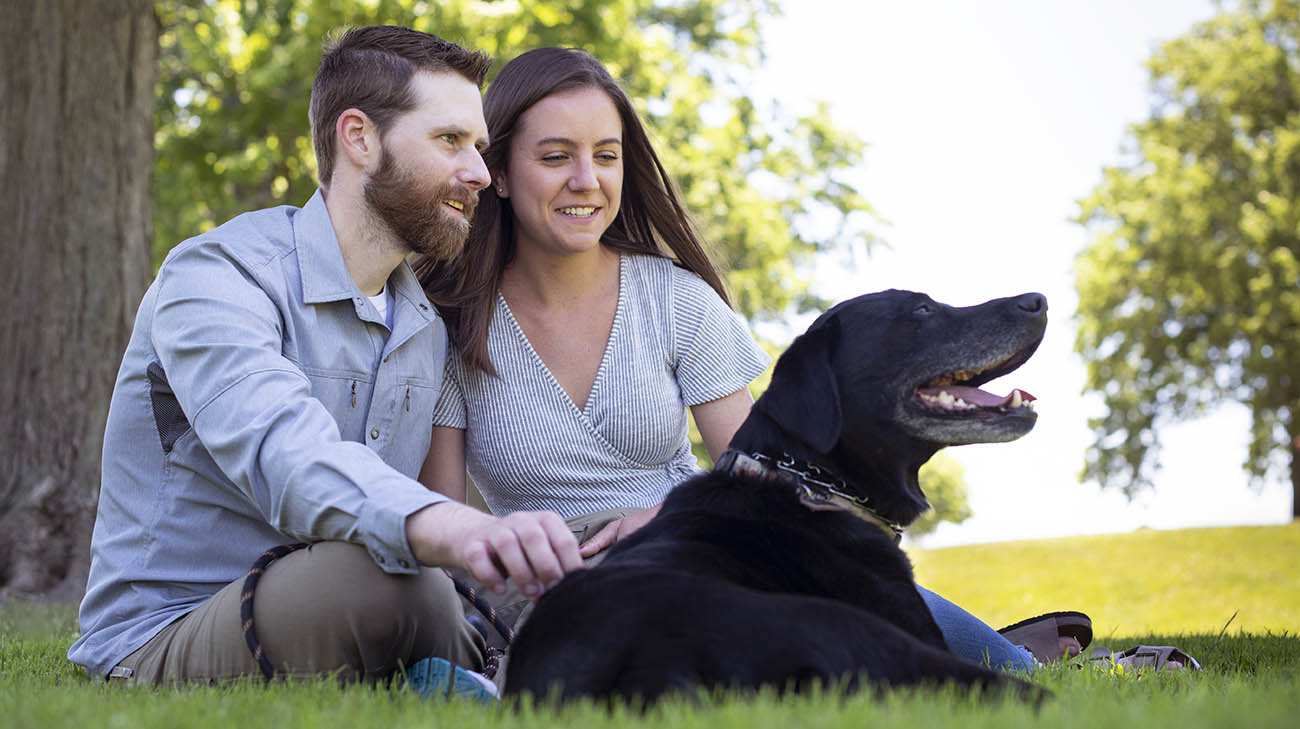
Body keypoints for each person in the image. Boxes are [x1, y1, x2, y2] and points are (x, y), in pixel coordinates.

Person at [414, 47, 1077, 673]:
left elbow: (769, 481)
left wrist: (659, 518)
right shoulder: (451, 324)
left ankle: (1022, 661)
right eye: (556, 156)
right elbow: (451, 526)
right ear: (497, 171)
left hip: (695, 555)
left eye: (606, 156)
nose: (586, 181)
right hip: (545, 593)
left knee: (859, 615)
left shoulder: (675, 301)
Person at [67, 27, 581, 690]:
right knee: (393, 583)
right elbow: (285, 454)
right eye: (451, 140)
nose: (482, 173)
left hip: (348, 602)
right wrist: (457, 530)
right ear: (359, 138)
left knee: (512, 597)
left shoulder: (421, 325)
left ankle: (491, 677)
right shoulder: (217, 276)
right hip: (166, 631)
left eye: (479, 148)